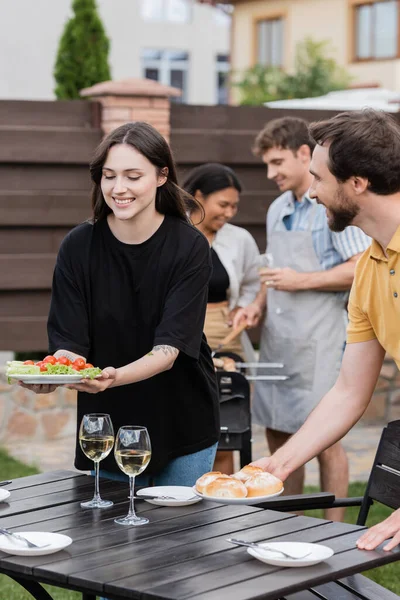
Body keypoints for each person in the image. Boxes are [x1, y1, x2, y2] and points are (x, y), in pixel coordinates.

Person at [21, 121, 220, 487]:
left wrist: (113, 378)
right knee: (115, 538)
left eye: (133, 175)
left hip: (181, 418)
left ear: (161, 176)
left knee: (179, 541)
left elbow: (169, 349)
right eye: (109, 176)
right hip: (105, 425)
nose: (119, 188)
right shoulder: (78, 246)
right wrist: (59, 372)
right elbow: (70, 341)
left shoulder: (189, 247)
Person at [251, 108, 400, 550]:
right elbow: (349, 392)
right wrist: (280, 463)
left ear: (357, 182)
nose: (312, 193)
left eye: (318, 179)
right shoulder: (371, 268)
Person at [233, 117, 370, 520]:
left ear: (304, 154)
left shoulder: (331, 204)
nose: (271, 173)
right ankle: (286, 525)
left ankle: (336, 532)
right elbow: (274, 268)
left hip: (320, 338)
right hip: (278, 337)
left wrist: (302, 281)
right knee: (277, 429)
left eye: (277, 162)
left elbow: (361, 265)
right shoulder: (277, 209)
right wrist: (258, 302)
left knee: (325, 439)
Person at [182, 163, 260, 473]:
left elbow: (254, 282)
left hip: (226, 336)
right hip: (184, 335)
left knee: (225, 427)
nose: (229, 213)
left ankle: (222, 497)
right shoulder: (173, 232)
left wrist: (244, 306)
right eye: (223, 205)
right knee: (188, 422)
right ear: (198, 196)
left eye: (234, 207)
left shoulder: (239, 239)